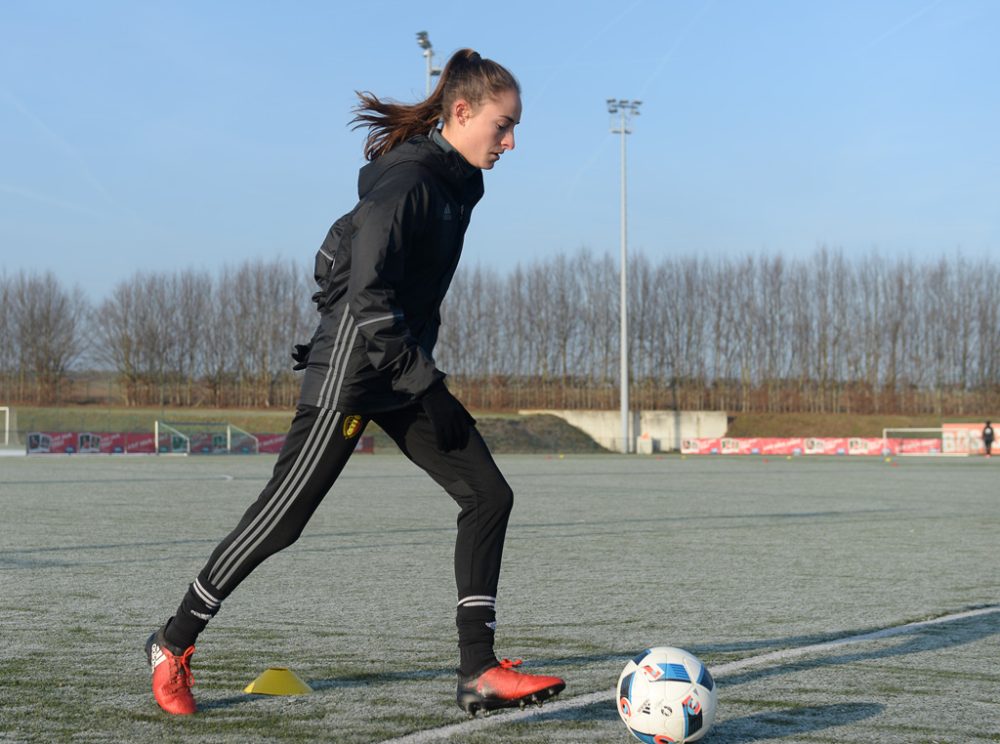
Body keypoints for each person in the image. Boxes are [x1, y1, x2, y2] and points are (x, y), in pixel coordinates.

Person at [145, 49, 564, 717]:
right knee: (283, 521)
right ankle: (172, 642)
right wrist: (427, 383)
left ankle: (479, 671)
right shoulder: (411, 182)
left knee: (488, 495)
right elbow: (367, 294)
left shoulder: (459, 186)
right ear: (462, 112)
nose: (512, 141)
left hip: (400, 367)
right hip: (354, 368)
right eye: (503, 125)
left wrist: (420, 379)